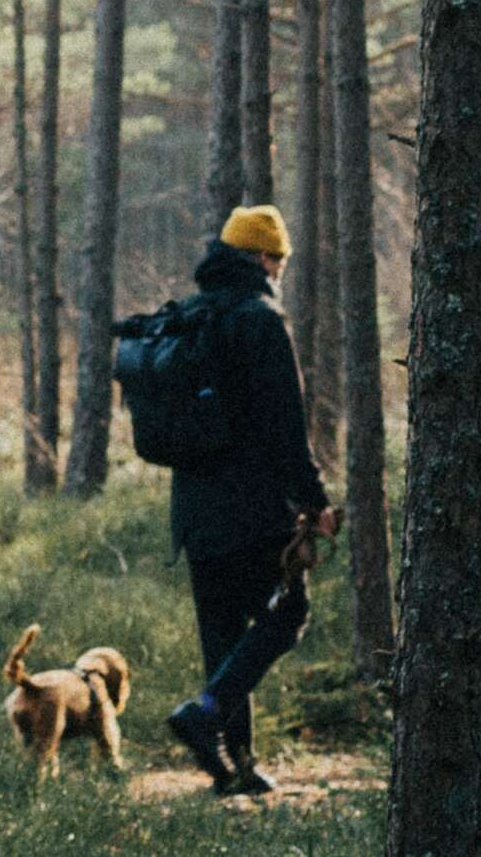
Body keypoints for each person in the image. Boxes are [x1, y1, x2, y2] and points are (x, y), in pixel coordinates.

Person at [163, 204, 340, 796]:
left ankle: (234, 768)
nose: (282, 269)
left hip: (193, 510)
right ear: (265, 258)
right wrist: (315, 503)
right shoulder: (262, 319)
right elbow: (286, 426)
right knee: (287, 616)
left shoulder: (192, 315)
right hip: (253, 510)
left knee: (222, 633)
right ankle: (206, 714)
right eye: (280, 259)